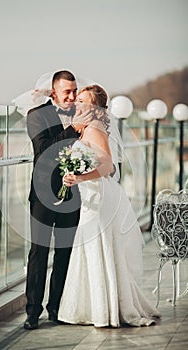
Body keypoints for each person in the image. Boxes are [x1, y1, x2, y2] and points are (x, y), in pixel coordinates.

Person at [58, 84, 161, 327]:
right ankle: (97, 307)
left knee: (98, 246)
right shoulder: (87, 130)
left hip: (100, 197)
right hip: (90, 197)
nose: (78, 104)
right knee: (91, 247)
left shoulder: (94, 130)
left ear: (94, 108)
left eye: (83, 101)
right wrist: (70, 177)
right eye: (78, 100)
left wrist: (80, 177)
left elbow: (107, 168)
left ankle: (107, 310)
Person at [24, 70, 93, 330]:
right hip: (42, 195)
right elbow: (43, 152)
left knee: (64, 254)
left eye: (75, 91)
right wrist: (72, 129)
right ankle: (32, 312)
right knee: (38, 254)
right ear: (54, 92)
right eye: (67, 92)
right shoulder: (36, 115)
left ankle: (57, 308)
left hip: (72, 195)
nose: (73, 96)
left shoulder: (82, 112)